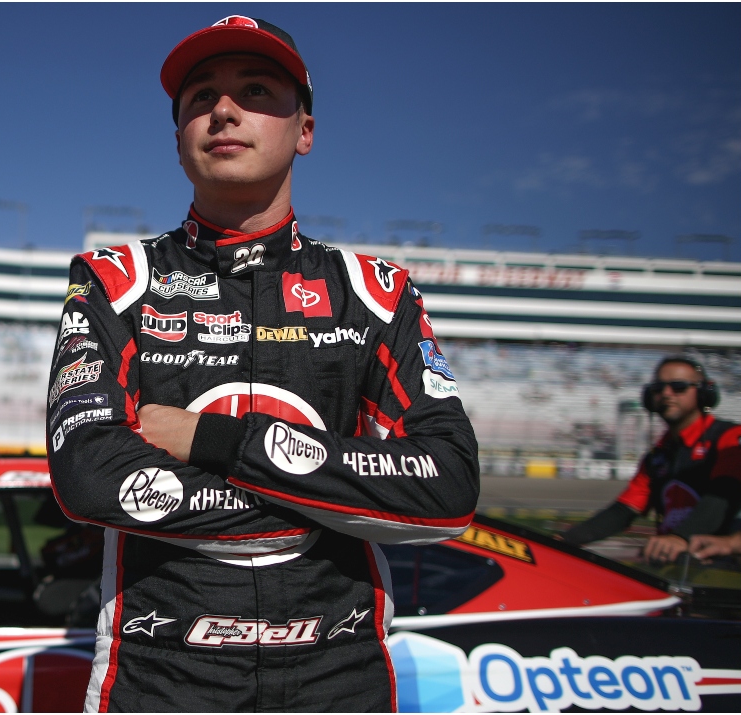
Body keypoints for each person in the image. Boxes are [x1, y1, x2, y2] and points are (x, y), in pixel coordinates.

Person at [45, 15, 479, 712]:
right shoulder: (112, 279)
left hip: (341, 672)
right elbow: (90, 478)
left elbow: (450, 487)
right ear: (179, 137)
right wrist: (334, 501)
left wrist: (217, 442)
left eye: (255, 89)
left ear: (305, 130)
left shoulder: (375, 293)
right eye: (199, 98)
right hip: (157, 674)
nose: (223, 110)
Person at [563, 357, 741, 563]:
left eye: (679, 387)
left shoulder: (732, 437)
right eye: (659, 388)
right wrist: (564, 541)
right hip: (674, 565)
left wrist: (680, 538)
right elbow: (624, 511)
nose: (667, 394)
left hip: (723, 569)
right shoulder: (657, 455)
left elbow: (723, 495)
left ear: (705, 394)